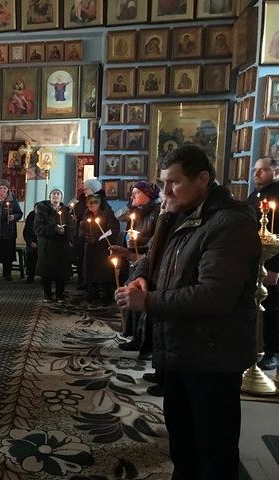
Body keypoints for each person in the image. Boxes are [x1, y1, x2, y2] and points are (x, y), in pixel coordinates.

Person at [115, 145, 260, 479]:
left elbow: (215, 296)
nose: (164, 191)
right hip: (179, 348)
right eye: (162, 183)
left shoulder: (230, 223)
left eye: (174, 182)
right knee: (183, 444)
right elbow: (152, 258)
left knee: (213, 450)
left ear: (202, 179)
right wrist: (140, 277)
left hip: (212, 355)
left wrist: (148, 302)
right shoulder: (177, 213)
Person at [113, 182, 161, 355]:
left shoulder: (156, 212)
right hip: (135, 257)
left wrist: (138, 245)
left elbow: (154, 240)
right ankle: (135, 336)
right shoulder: (136, 210)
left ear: (148, 195)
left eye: (136, 193)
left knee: (139, 296)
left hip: (145, 258)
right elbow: (119, 216)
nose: (132, 196)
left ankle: (142, 340)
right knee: (130, 290)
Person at [247, 156, 279, 370]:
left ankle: (272, 351)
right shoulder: (255, 194)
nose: (256, 174)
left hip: (272, 261)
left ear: (276, 172)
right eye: (255, 169)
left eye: (263, 170)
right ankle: (252, 347)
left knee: (271, 308)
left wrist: (275, 268)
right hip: (254, 258)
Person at [35, 189, 76, 303]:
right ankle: (47, 294)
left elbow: (72, 228)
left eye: (58, 194)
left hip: (61, 246)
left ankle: (60, 294)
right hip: (47, 246)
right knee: (46, 272)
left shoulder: (66, 211)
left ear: (61, 197)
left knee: (61, 272)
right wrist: (53, 229)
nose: (56, 196)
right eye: (54, 194)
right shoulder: (42, 211)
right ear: (50, 197)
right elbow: (38, 228)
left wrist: (65, 230)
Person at [78, 193, 119, 303]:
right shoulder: (87, 213)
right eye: (88, 204)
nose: (90, 206)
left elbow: (113, 230)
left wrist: (98, 238)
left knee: (105, 271)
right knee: (91, 271)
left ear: (99, 203)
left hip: (103, 248)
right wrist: (85, 236)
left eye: (93, 203)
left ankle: (108, 294)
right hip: (91, 248)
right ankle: (93, 292)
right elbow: (82, 227)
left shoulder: (108, 214)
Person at [23, 207, 38, 284]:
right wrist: (31, 242)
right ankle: (30, 275)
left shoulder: (46, 216)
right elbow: (26, 232)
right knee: (31, 254)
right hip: (32, 242)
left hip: (42, 242)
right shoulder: (30, 217)